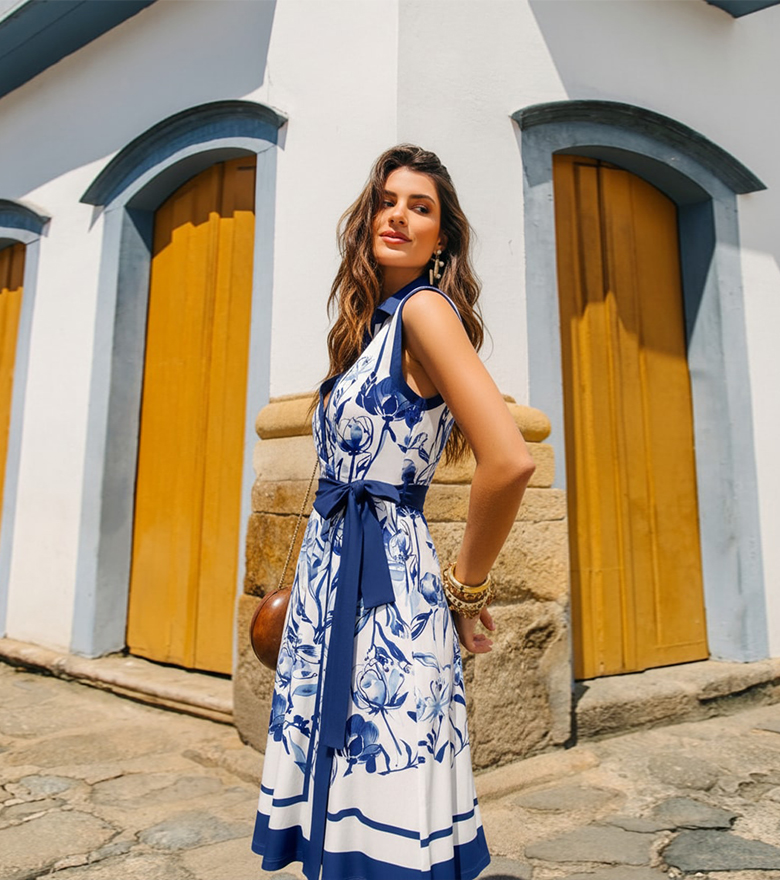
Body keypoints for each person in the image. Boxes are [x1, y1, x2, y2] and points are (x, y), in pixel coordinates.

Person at [251, 145, 536, 880]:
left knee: (385, 779)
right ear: (367, 217)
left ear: (442, 238)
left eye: (421, 207)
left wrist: (467, 587)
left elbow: (510, 459)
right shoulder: (371, 331)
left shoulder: (425, 311)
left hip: (384, 586)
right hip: (333, 579)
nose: (399, 216)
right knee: (354, 792)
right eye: (387, 200)